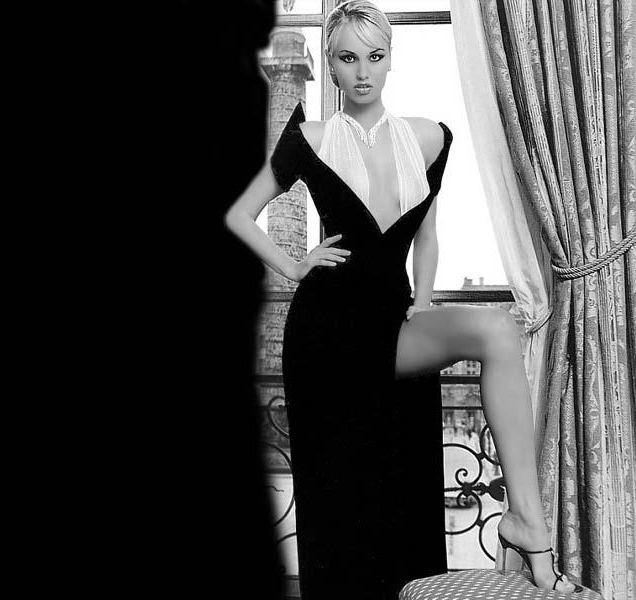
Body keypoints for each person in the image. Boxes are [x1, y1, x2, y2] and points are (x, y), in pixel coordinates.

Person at [224, 1, 582, 598]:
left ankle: (526, 519)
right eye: (347, 58)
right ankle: (524, 530)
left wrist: (423, 302)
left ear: (391, 58)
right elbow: (239, 214)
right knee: (342, 501)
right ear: (332, 66)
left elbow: (427, 236)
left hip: (392, 319)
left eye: (375, 55)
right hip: (327, 332)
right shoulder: (310, 138)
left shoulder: (430, 138)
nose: (362, 71)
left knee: (497, 333)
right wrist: (294, 266)